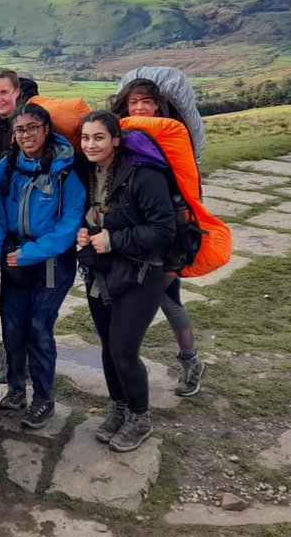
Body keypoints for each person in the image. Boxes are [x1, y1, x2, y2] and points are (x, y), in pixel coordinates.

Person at [0, 103, 85, 429]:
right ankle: (15, 390)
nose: (26, 135)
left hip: (52, 263)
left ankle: (43, 398)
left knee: (39, 328)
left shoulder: (67, 170)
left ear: (46, 130)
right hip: (14, 259)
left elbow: (69, 225)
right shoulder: (6, 167)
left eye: (32, 128)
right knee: (12, 328)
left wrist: (31, 253)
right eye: (20, 129)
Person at [76, 109, 176, 452]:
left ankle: (140, 418)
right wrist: (84, 233)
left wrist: (113, 241)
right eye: (86, 138)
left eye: (99, 137)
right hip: (102, 270)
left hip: (143, 272)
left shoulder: (144, 176)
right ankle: (118, 409)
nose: (91, 144)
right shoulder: (88, 173)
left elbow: (164, 229)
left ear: (116, 139)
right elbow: (92, 215)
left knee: (123, 349)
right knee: (107, 346)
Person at [110, 78, 206, 397]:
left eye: (145, 102)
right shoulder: (123, 137)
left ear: (157, 105)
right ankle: (190, 361)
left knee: (163, 300)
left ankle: (187, 363)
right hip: (139, 232)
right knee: (170, 300)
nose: (139, 108)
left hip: (167, 234)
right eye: (133, 102)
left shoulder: (171, 137)